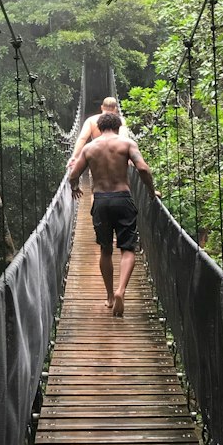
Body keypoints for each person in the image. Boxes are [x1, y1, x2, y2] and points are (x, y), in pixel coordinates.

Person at [67, 112, 155, 317]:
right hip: (123, 198)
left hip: (101, 202)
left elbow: (73, 175)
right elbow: (142, 168)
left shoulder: (89, 148)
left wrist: (74, 187)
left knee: (105, 249)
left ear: (99, 127)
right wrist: (151, 191)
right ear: (117, 127)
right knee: (128, 248)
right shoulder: (127, 144)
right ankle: (121, 291)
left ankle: (108, 296)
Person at [68, 95, 127, 165]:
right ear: (115, 109)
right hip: (115, 160)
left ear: (102, 107)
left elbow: (82, 139)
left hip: (96, 159)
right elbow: (124, 139)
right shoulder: (121, 121)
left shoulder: (91, 120)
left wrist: (74, 157)